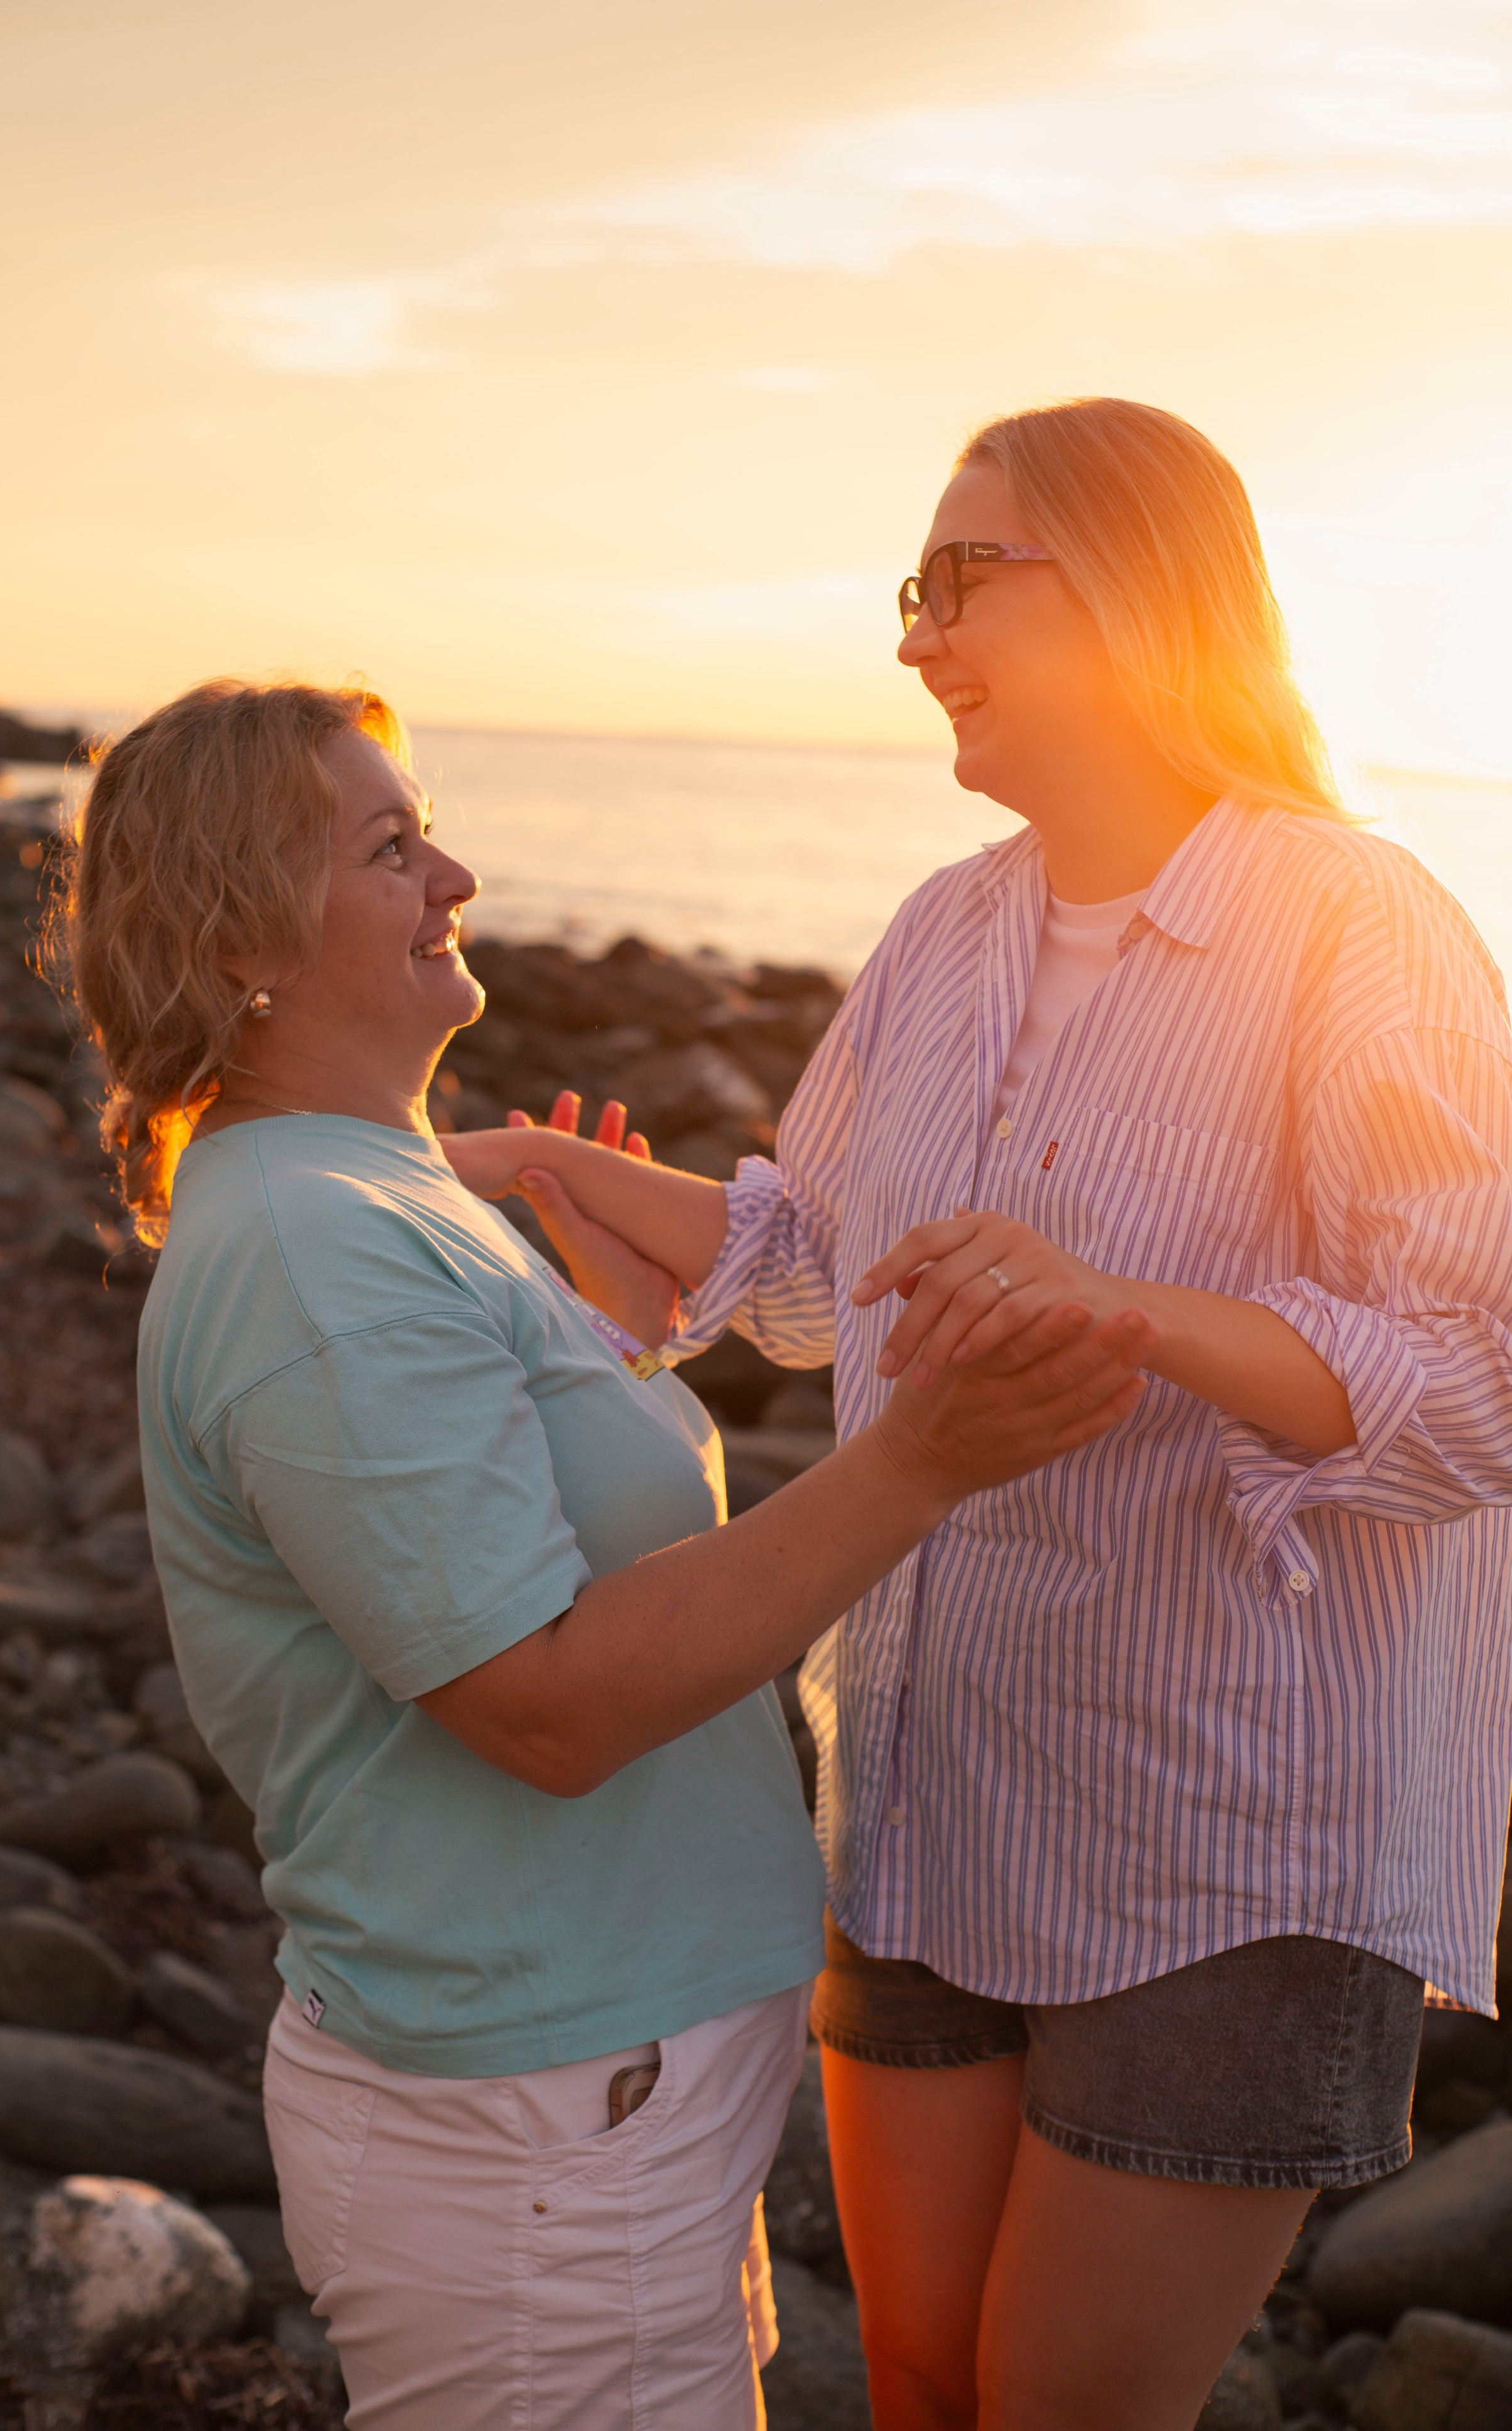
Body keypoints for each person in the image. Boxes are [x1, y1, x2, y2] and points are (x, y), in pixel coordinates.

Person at [446, 397, 1512, 2431]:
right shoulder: (947, 927)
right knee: (921, 2386)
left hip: (1231, 1835)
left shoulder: (1355, 922)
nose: (917, 635)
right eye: (911, 593)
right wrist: (595, 1190)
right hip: (930, 1787)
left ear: (1139, 592)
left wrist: (1141, 1313)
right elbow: (820, 1258)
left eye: (960, 581)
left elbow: (1480, 1375)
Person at [54, 675, 1151, 2431]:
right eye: (391, 845)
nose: (457, 874)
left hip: (593, 2091)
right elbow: (544, 1702)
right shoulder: (316, 1251)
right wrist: (928, 1456)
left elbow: (478, 1534)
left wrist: (610, 1351)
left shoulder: (384, 1195)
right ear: (239, 929)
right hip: (541, 2121)